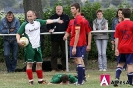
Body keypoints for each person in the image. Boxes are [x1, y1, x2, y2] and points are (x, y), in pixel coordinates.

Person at [16, 10, 63, 85]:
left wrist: (56, 20)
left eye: (31, 16)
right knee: (30, 64)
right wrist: (18, 41)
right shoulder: (24, 25)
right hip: (29, 47)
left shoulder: (38, 22)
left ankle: (40, 80)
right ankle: (30, 81)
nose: (29, 18)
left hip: (37, 46)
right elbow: (18, 34)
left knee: (39, 63)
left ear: (34, 16)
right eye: (28, 16)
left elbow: (47, 21)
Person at [63, 3, 91, 85]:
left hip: (78, 43)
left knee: (78, 60)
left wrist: (74, 47)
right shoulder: (73, 20)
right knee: (77, 60)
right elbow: (69, 30)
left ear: (77, 9)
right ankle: (82, 79)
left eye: (73, 8)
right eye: (71, 8)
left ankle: (80, 81)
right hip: (74, 43)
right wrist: (66, 36)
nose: (71, 10)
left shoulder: (79, 19)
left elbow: (77, 33)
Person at [114, 8, 133, 87]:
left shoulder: (118, 25)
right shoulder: (132, 24)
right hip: (130, 48)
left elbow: (116, 38)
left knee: (120, 64)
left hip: (121, 47)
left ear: (123, 15)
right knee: (130, 65)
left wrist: (116, 49)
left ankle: (116, 79)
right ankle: (129, 82)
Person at [47, 5, 69, 72]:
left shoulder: (66, 17)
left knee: (64, 53)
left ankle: (65, 67)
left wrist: (67, 34)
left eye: (60, 9)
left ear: (62, 10)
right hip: (54, 38)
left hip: (63, 38)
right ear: (55, 10)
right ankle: (54, 68)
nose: (58, 10)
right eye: (57, 9)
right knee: (54, 54)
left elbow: (69, 26)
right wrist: (49, 29)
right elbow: (48, 25)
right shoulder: (52, 17)